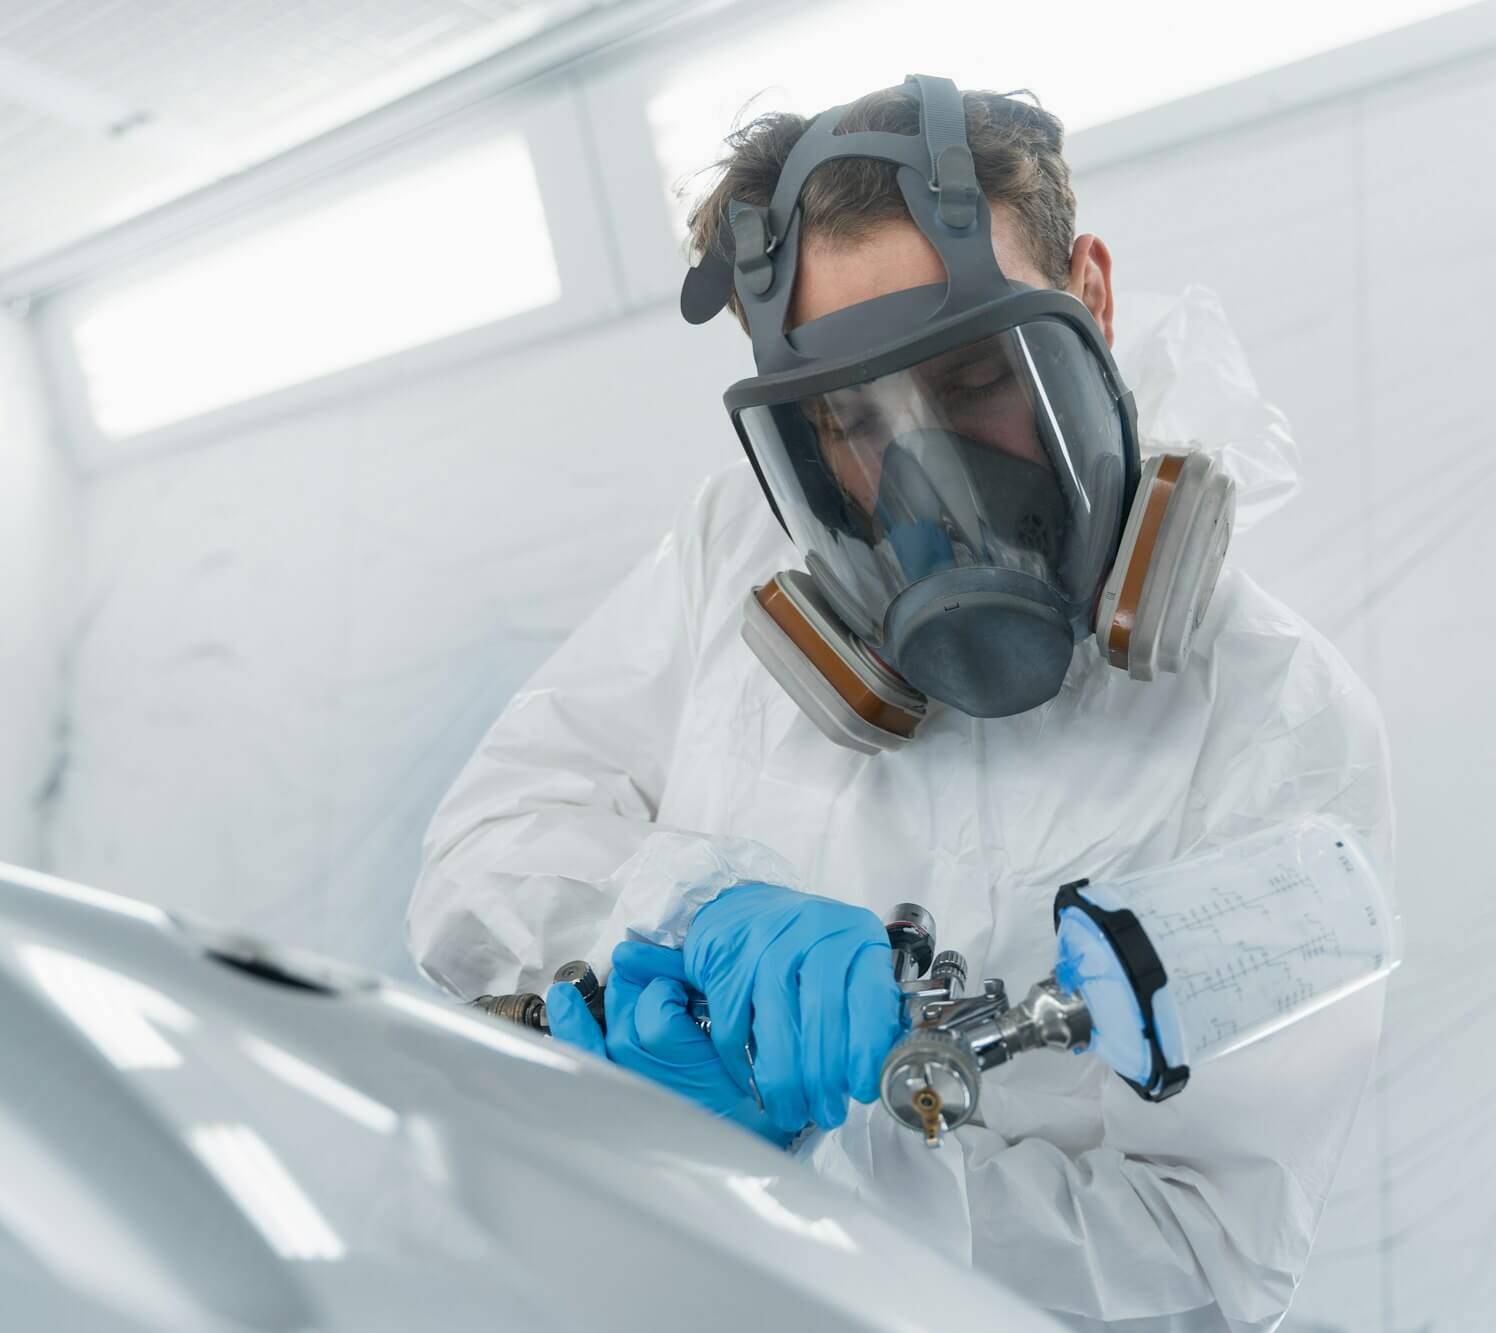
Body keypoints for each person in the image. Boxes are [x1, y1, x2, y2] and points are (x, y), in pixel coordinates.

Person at [409, 76, 1392, 1333]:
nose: (926, 474)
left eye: (975, 376)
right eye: (850, 416)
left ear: (1086, 292)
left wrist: (826, 1171)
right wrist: (685, 911)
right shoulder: (734, 560)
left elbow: (1207, 1257)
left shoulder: (1274, 719)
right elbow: (487, 842)